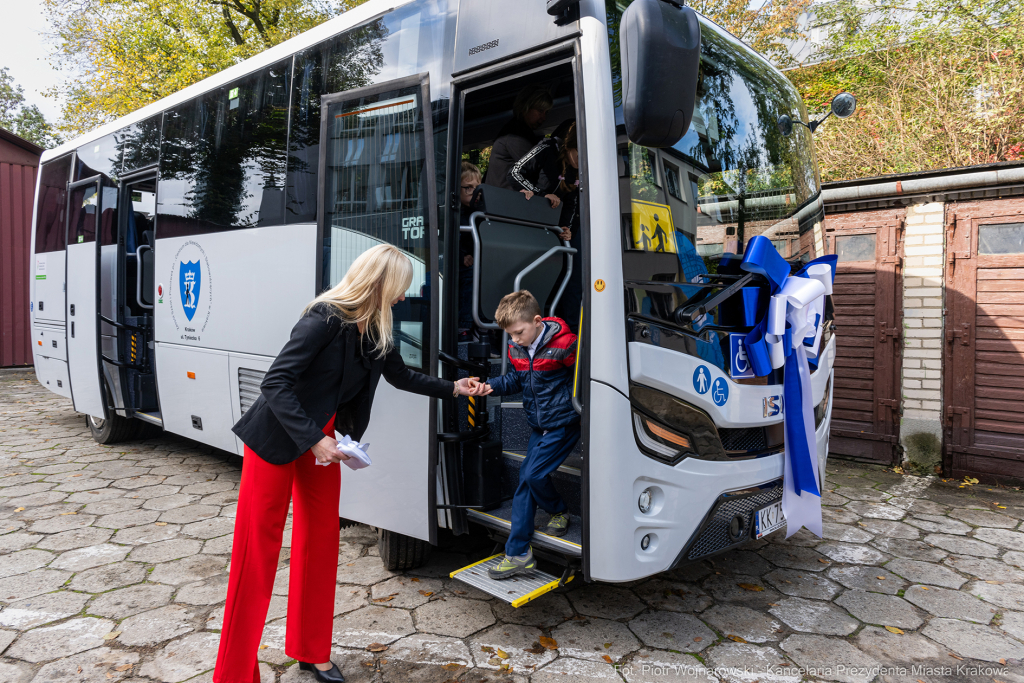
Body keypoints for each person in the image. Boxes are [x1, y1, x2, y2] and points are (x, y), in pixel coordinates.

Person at [215, 244, 488, 683]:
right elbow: (275, 383)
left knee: (320, 542)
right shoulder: (322, 318)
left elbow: (402, 376)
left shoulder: (377, 328)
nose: (403, 298)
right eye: (399, 289)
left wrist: (455, 388)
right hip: (279, 438)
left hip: (327, 441)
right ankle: (233, 674)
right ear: (379, 284)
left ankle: (312, 651)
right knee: (258, 553)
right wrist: (314, 440)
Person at [474, 290, 579, 580]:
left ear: (537, 320)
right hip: (538, 424)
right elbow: (517, 380)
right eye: (510, 335)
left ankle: (558, 511)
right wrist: (488, 385)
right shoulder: (518, 348)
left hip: (562, 424)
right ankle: (519, 553)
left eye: (519, 332)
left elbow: (585, 379)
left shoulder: (566, 345)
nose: (515, 339)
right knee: (525, 483)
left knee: (532, 476)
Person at [483, 85, 553, 190]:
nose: (544, 117)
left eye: (546, 112)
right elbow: (536, 171)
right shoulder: (515, 136)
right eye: (540, 110)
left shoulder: (518, 132)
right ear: (525, 106)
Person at [552, 123, 583, 331]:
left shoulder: (576, 175)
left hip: (565, 232)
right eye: (580, 157)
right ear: (569, 148)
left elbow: (571, 205)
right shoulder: (551, 160)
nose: (582, 164)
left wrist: (567, 228)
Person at [508, 118, 576, 208]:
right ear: (568, 146)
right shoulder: (547, 148)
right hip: (529, 212)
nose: (584, 159)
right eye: (581, 153)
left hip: (551, 219)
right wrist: (541, 195)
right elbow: (514, 172)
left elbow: (570, 206)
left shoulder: (577, 170)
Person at [459, 162, 483, 342]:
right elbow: (448, 240)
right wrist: (462, 255)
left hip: (476, 260)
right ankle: (464, 326)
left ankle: (484, 328)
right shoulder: (454, 213)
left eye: (477, 188)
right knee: (471, 274)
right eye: (468, 188)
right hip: (458, 262)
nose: (474, 192)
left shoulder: (479, 210)